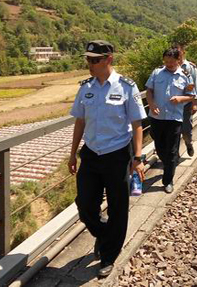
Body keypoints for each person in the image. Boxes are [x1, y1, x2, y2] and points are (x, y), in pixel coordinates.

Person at [68, 40, 147, 278]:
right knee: (84, 205)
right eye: (88, 60)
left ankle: (109, 255)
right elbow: (80, 121)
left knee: (118, 207)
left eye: (95, 60)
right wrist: (72, 154)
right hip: (91, 154)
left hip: (117, 155)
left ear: (108, 59)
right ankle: (104, 236)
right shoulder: (85, 88)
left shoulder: (126, 87)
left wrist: (138, 157)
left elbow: (137, 124)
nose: (90, 64)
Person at [146, 48, 196, 193]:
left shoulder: (186, 75)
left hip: (174, 118)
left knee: (172, 150)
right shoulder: (156, 73)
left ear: (178, 60)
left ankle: (168, 180)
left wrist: (181, 98)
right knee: (159, 146)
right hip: (157, 117)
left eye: (171, 62)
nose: (168, 64)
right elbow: (149, 91)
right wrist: (152, 104)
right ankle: (168, 163)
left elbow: (191, 95)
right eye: (166, 61)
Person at [173, 43, 197, 157]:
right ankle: (174, 155)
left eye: (179, 54)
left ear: (183, 53)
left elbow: (196, 85)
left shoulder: (190, 67)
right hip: (173, 105)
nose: (178, 57)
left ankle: (188, 143)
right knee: (173, 131)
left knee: (186, 130)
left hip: (186, 104)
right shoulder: (169, 66)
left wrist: (195, 103)